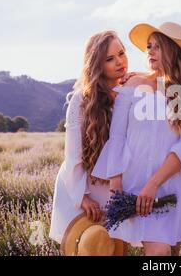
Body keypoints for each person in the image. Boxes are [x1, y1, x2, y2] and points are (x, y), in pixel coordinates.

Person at [92, 22, 181, 256]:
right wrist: (116, 184)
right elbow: (117, 136)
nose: (149, 52)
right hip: (135, 189)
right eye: (148, 46)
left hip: (169, 189)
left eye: (157, 46)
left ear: (173, 51)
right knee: (160, 252)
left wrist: (153, 184)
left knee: (170, 251)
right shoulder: (133, 84)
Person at [49, 30, 135, 255]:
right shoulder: (81, 100)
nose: (119, 62)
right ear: (97, 65)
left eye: (122, 53)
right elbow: (73, 156)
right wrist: (82, 197)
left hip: (114, 188)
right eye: (109, 59)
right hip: (81, 185)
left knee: (112, 248)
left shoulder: (133, 93)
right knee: (85, 247)